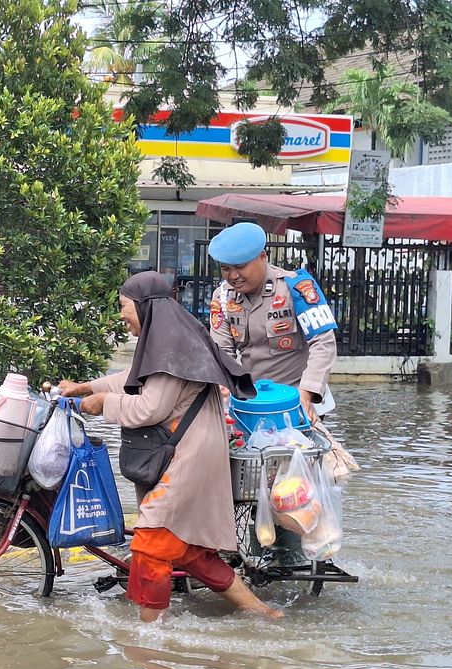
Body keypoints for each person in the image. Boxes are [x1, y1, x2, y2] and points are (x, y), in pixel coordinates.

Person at [59, 271, 283, 623]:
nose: (122, 314)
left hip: (189, 458)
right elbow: (131, 380)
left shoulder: (170, 349)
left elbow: (149, 408)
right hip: (193, 452)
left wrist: (103, 404)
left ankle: (152, 635)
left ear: (144, 306)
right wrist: (85, 388)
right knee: (190, 551)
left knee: (150, 542)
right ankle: (263, 613)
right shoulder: (168, 342)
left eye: (124, 306)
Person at [207, 222, 338, 423]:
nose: (233, 276)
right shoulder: (223, 298)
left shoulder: (296, 288)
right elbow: (222, 352)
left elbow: (323, 343)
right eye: (226, 269)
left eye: (241, 267)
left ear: (263, 257)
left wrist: (307, 393)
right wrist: (223, 385)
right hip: (253, 400)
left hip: (297, 398)